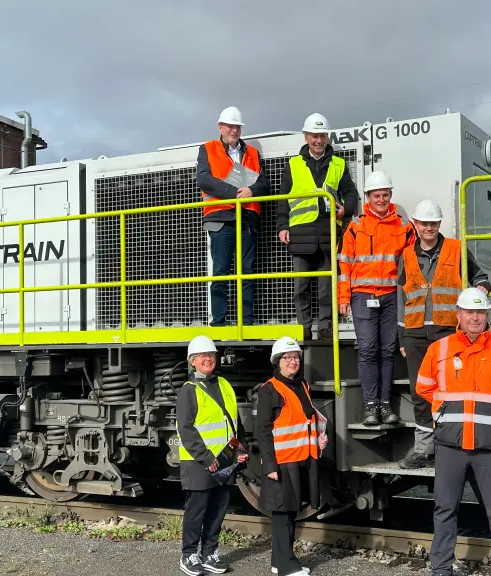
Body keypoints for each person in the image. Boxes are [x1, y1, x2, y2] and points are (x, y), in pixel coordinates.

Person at [416, 288, 491, 576]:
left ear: (487, 316)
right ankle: (441, 569)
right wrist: (445, 411)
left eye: (480, 312)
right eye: (469, 312)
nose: (475, 317)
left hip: (490, 448)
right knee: (444, 510)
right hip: (450, 446)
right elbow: (423, 386)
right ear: (459, 314)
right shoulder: (439, 349)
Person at [397, 199, 491, 469]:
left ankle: (452, 446)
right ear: (415, 224)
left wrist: (483, 286)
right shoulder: (405, 255)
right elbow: (399, 298)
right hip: (414, 333)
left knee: (452, 389)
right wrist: (401, 336)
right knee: (420, 392)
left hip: (448, 331)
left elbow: (480, 276)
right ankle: (424, 450)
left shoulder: (456, 249)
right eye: (424, 223)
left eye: (434, 223)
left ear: (439, 224)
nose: (429, 228)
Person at [338, 171, 416, 426]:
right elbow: (345, 265)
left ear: (390, 195)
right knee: (368, 351)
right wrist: (343, 297)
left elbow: (411, 267)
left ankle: (385, 405)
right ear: (368, 197)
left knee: (386, 351)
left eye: (385, 195)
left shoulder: (404, 226)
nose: (381, 199)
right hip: (362, 295)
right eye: (376, 195)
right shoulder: (356, 225)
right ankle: (370, 407)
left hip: (391, 297)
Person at [277, 113, 359, 341]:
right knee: (300, 286)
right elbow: (283, 199)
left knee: (326, 287)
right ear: (306, 137)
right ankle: (303, 328)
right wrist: (282, 226)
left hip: (327, 232)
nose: (319, 140)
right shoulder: (293, 164)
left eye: (322, 135)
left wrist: (346, 209)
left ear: (327, 138)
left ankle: (325, 329)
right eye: (314, 135)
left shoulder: (338, 164)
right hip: (300, 233)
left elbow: (351, 193)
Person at [177, 335, 249, 576]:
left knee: (218, 508)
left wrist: (241, 448)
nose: (207, 359)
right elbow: (185, 429)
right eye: (202, 356)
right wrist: (206, 457)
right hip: (199, 462)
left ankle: (209, 553)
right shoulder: (188, 391)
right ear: (192, 362)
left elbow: (234, 421)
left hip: (225, 459)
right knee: (197, 510)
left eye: (211, 355)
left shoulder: (224, 385)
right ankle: (188, 556)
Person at [257, 336, 328, 576]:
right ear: (277, 362)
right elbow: (263, 430)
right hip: (281, 462)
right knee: (282, 513)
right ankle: (286, 564)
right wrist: (269, 465)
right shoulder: (269, 390)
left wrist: (319, 436)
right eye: (287, 358)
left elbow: (305, 420)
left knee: (290, 512)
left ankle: (280, 561)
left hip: (299, 459)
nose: (293, 361)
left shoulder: (302, 385)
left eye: (296, 357)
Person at [197, 106, 270, 327]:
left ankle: (246, 322)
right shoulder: (207, 149)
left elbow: (263, 182)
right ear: (220, 127)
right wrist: (235, 193)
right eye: (230, 126)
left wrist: (251, 191)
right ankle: (219, 322)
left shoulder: (252, 154)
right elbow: (205, 180)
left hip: (247, 218)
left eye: (237, 126)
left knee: (246, 272)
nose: (234, 130)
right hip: (221, 218)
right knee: (221, 271)